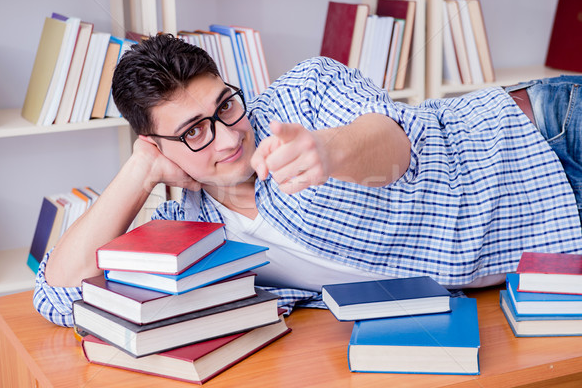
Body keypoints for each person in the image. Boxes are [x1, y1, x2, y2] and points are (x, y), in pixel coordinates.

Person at [34, 34, 582, 327]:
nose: (228, 137)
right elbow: (59, 294)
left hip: (546, 140)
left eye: (225, 105)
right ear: (158, 146)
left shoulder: (304, 95)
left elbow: (395, 144)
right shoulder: (189, 230)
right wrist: (140, 172)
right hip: (554, 248)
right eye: (194, 131)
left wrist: (329, 150)